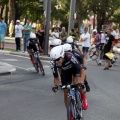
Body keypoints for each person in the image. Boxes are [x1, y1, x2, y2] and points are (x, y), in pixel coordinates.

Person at [50, 45, 88, 110]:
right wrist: (56, 86)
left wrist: (81, 82)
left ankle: (83, 96)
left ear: (62, 55)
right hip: (66, 72)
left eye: (58, 59)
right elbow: (56, 77)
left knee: (77, 83)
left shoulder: (69, 56)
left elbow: (82, 70)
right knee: (65, 92)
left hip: (74, 68)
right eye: (54, 60)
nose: (56, 61)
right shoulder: (53, 63)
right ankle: (69, 111)